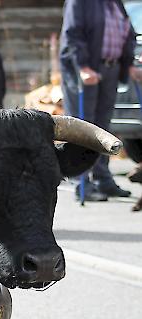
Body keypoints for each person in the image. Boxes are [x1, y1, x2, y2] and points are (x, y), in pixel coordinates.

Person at [60, 0, 142, 201]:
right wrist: (82, 67)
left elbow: (127, 32)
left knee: (103, 128)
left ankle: (103, 179)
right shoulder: (79, 2)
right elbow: (73, 33)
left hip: (111, 69)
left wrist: (129, 63)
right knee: (83, 128)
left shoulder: (115, 3)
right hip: (86, 71)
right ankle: (81, 183)